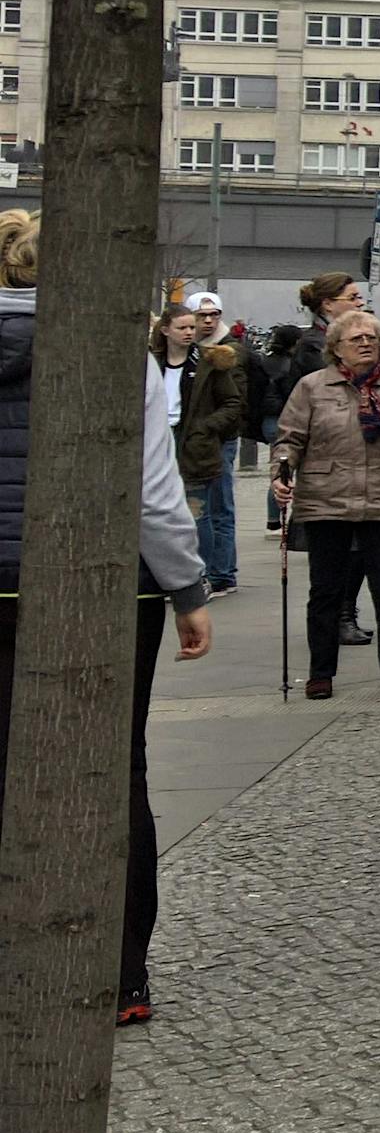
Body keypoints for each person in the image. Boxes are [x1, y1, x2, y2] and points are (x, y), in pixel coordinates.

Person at [0, 212, 215, 1029]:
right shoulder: (113, 352)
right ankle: (123, 975)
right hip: (102, 586)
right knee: (115, 771)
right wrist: (189, 590)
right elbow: (156, 494)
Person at [271, 310, 380, 699]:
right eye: (356, 339)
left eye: (372, 338)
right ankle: (321, 673)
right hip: (325, 500)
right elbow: (289, 439)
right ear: (336, 349)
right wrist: (281, 474)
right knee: (326, 592)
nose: (366, 343)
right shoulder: (312, 387)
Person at [287, 272, 374, 644]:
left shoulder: (359, 341)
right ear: (328, 304)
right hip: (328, 465)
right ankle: (335, 617)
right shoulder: (312, 347)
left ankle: (344, 611)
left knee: (358, 547)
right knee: (335, 552)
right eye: (352, 298)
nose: (360, 303)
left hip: (360, 459)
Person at [152, 304, 242, 595]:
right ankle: (167, 573)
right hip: (158, 442)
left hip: (195, 445)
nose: (189, 332)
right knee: (160, 511)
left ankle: (200, 575)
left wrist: (206, 427)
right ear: (166, 330)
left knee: (197, 513)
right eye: (183, 327)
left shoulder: (209, 362)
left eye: (192, 327)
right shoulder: (152, 362)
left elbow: (232, 403)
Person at [184, 291, 243, 594]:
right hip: (198, 441)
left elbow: (236, 400)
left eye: (214, 315)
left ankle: (221, 572)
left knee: (219, 507)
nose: (208, 321)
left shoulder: (226, 352)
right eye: (202, 315)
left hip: (219, 440)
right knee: (204, 509)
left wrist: (209, 429)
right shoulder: (190, 351)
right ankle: (216, 571)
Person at [251, 325, 299, 529]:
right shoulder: (291, 366)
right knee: (285, 470)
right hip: (285, 417)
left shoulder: (264, 361)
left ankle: (273, 518)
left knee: (279, 468)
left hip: (269, 419)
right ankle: (281, 517)